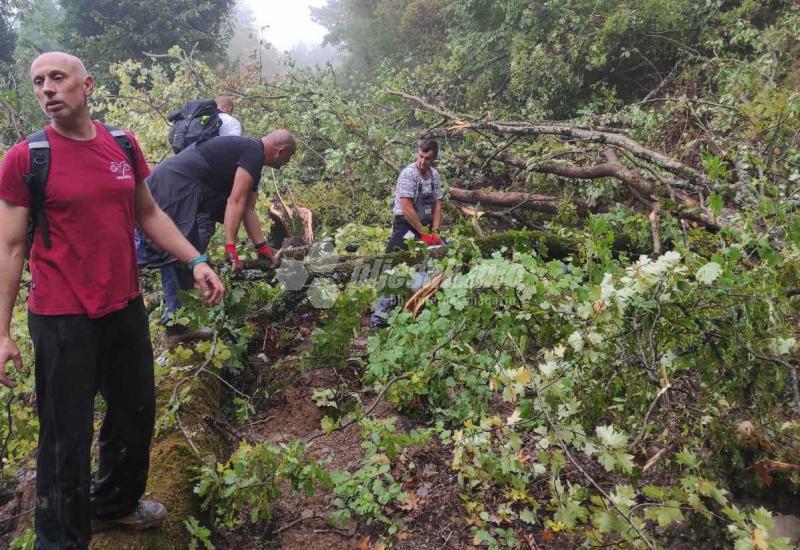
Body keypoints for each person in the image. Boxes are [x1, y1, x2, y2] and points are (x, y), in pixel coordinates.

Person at [0, 52, 225, 549]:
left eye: (57, 78)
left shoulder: (121, 143)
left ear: (87, 85)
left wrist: (196, 260)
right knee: (65, 436)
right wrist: (1, 333)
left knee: (135, 411)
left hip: (123, 306)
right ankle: (59, 540)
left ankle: (114, 506)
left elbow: (149, 213)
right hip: (60, 316)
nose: (47, 89)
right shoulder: (26, 157)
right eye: (38, 82)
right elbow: (11, 246)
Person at [136, 131, 296, 343]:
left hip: (181, 187)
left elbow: (247, 209)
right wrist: (231, 248)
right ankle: (173, 326)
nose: (288, 162)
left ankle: (178, 325)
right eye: (289, 157)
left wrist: (262, 248)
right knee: (171, 252)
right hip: (172, 185)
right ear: (280, 151)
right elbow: (234, 201)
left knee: (185, 253)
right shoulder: (252, 151)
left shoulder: (251, 158)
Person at [369, 138, 444, 327]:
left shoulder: (434, 176)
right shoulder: (408, 174)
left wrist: (434, 232)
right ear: (417, 152)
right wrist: (423, 234)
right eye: (420, 156)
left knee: (433, 263)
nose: (423, 161)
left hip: (425, 228)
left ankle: (417, 311)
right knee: (393, 269)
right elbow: (407, 208)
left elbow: (437, 204)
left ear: (434, 158)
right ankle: (379, 319)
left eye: (427, 158)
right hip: (406, 228)